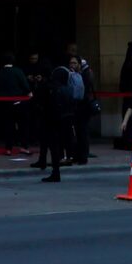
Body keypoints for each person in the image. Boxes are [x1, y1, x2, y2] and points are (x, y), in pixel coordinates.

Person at [36, 51, 78, 180]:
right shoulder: (68, 89)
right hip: (65, 119)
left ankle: (55, 171)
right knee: (59, 144)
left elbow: (44, 103)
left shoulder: (52, 88)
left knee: (52, 145)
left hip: (52, 119)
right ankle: (57, 167)